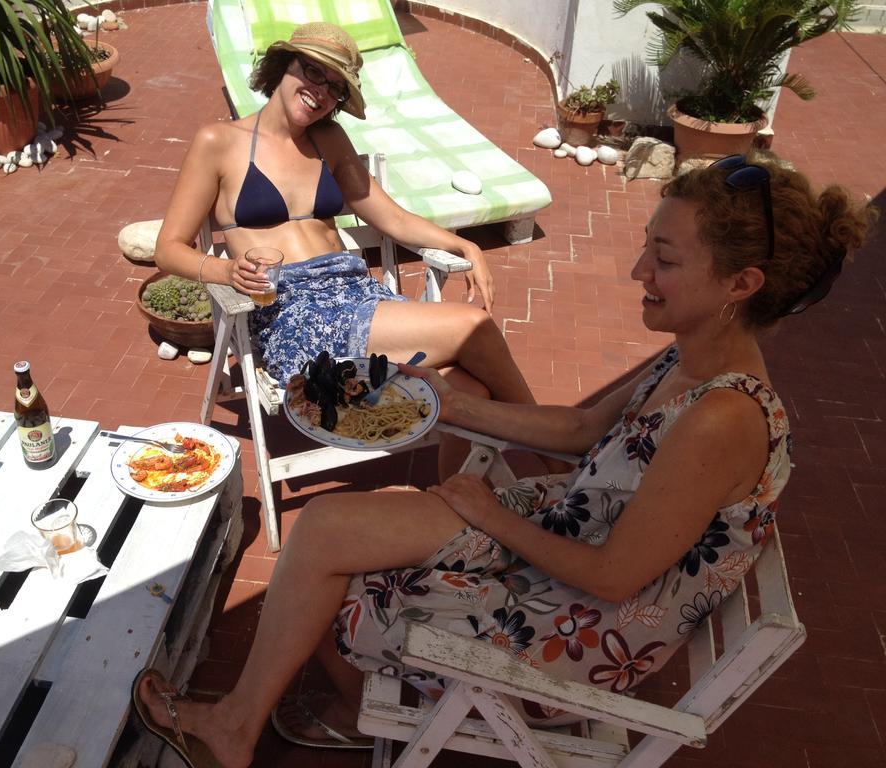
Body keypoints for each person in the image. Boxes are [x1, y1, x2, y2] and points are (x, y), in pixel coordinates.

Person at [134, 155, 872, 767]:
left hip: (582, 623)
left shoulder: (723, 417)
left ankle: (255, 724)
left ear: (741, 287)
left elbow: (615, 575)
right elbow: (586, 429)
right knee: (328, 533)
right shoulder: (696, 360)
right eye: (649, 244)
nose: (638, 268)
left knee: (335, 570)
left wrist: (488, 510)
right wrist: (454, 407)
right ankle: (306, 716)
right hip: (567, 532)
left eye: (666, 258)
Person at [153, 22, 535, 419]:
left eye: (334, 86)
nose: (320, 90)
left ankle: (473, 480)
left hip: (356, 293)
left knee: (468, 388)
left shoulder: (329, 139)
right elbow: (168, 249)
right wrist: (227, 270)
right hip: (292, 310)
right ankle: (556, 445)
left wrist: (464, 244)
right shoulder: (219, 142)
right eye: (313, 71)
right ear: (283, 66)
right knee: (473, 325)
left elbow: (392, 216)